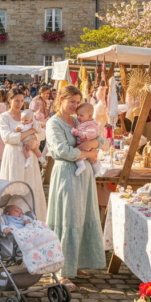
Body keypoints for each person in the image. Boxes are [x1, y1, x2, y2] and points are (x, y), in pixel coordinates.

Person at [46, 85, 106, 291]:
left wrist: (93, 145)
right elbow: (61, 150)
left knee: (82, 216)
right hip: (67, 174)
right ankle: (62, 270)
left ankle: (75, 262)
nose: (74, 105)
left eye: (77, 101)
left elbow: (100, 137)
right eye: (71, 101)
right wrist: (88, 154)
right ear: (60, 99)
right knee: (68, 218)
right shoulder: (54, 123)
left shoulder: (77, 119)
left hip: (84, 176)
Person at [0, 88, 47, 221]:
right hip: (13, 156)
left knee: (31, 186)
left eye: (21, 100)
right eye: (16, 101)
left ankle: (32, 221)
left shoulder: (27, 115)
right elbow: (8, 137)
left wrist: (34, 139)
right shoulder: (3, 117)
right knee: (14, 188)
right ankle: (12, 220)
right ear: (9, 100)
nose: (19, 103)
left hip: (29, 156)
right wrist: (30, 131)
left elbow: (42, 133)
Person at [71, 103, 102, 176]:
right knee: (91, 158)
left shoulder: (91, 124)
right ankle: (93, 169)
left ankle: (95, 170)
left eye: (81, 115)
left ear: (90, 116)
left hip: (86, 144)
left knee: (91, 159)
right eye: (78, 115)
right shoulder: (83, 123)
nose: (78, 117)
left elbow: (91, 134)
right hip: (83, 144)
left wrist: (78, 133)